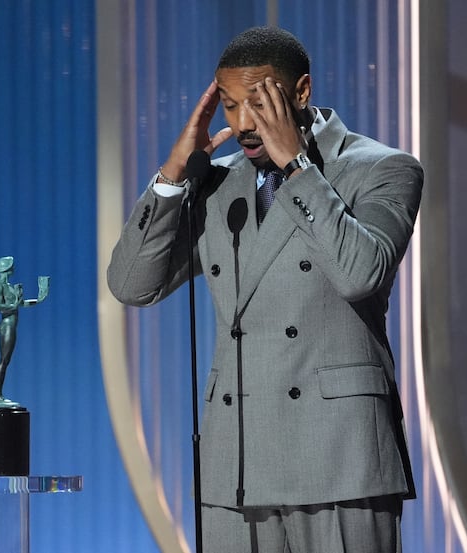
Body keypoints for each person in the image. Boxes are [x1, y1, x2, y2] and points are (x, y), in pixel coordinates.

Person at [108, 26, 422, 553]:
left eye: (258, 103)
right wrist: (172, 175)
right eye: (229, 106)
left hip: (338, 459)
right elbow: (131, 285)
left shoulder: (381, 168)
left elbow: (359, 273)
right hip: (236, 461)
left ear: (300, 91)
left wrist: (296, 168)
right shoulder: (216, 184)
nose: (243, 124)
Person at [0, 256, 49, 403]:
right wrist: (15, 304)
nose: (14, 269)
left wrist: (39, 299)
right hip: (7, 325)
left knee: (6, 360)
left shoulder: (9, 287)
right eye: (12, 266)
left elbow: (22, 303)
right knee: (4, 360)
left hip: (12, 324)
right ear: (6, 269)